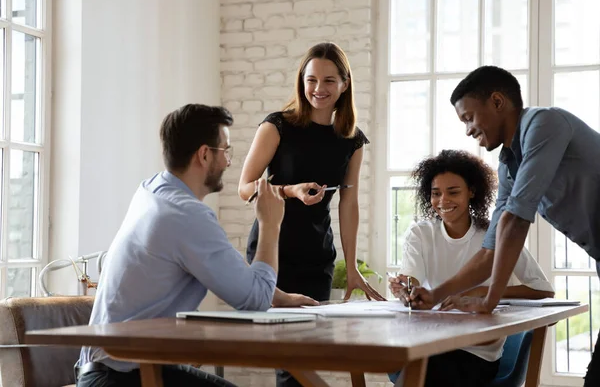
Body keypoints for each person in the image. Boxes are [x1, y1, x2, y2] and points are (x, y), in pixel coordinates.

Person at [409, 65, 600, 386]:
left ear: (497, 102)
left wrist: (489, 300)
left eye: (469, 117)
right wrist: (435, 293)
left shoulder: (545, 123)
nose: (468, 130)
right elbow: (491, 249)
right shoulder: (509, 165)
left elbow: (515, 220)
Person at [76, 104, 287, 387]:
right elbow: (254, 301)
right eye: (225, 151)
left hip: (106, 368)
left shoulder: (151, 190)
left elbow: (244, 283)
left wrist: (275, 294)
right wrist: (270, 224)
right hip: (122, 378)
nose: (228, 162)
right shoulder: (186, 215)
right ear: (204, 154)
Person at [238, 42, 385, 387]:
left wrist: (350, 268)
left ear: (345, 84)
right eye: (312, 80)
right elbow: (245, 187)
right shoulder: (277, 126)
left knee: (304, 357)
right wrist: (290, 190)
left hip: (317, 258)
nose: (319, 89)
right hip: (272, 253)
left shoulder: (351, 139)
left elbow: (349, 204)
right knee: (290, 361)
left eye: (329, 81)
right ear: (301, 82)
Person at [388, 149, 554, 387]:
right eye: (436, 194)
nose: (443, 201)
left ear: (472, 192)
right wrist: (407, 290)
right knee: (418, 364)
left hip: (476, 353)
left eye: (453, 192)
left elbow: (543, 290)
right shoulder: (420, 233)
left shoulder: (495, 236)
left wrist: (480, 293)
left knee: (425, 370)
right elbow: (413, 279)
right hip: (429, 342)